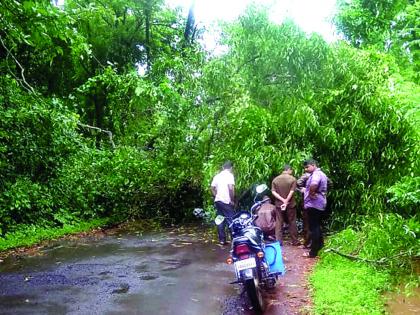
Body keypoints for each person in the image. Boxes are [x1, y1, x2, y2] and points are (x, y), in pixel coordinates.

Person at [302, 159, 328, 258]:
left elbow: (314, 184)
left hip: (314, 204)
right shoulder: (322, 174)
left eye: (307, 167)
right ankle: (320, 246)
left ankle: (313, 251)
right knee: (317, 225)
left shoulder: (316, 174)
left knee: (314, 227)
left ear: (313, 165)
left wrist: (312, 193)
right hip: (319, 203)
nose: (305, 169)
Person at [271, 164, 300, 246]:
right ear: (289, 170)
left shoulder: (275, 180)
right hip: (290, 204)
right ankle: (295, 241)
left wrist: (282, 200)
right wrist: (286, 201)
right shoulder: (292, 179)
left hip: (279, 205)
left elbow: (273, 192)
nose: (292, 172)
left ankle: (278, 242)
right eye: (291, 170)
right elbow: (292, 191)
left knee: (279, 223)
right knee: (292, 222)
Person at [211, 161, 235, 245]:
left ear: (223, 167)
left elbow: (212, 188)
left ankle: (222, 240)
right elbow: (231, 188)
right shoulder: (229, 175)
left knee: (220, 219)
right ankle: (234, 239)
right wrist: (232, 199)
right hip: (226, 200)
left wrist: (216, 195)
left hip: (218, 201)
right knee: (231, 219)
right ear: (231, 168)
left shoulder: (217, 176)